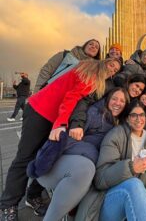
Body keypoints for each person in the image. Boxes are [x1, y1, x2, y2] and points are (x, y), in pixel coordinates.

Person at [0, 58, 121, 221]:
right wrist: (61, 123)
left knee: (45, 155)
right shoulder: (91, 72)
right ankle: (8, 205)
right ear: (104, 61)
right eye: (111, 65)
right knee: (25, 157)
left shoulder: (96, 79)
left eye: (116, 70)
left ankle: (32, 196)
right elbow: (71, 97)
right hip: (40, 111)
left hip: (53, 117)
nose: (112, 70)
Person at [35, 87, 129, 221]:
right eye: (114, 98)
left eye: (122, 101)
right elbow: (67, 143)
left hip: (77, 172)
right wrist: (95, 156)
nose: (117, 103)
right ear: (108, 99)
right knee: (87, 168)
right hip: (52, 167)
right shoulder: (94, 114)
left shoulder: (116, 124)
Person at [75, 100, 146, 221]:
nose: (138, 119)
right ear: (127, 119)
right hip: (107, 200)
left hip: (137, 202)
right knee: (134, 185)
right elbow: (100, 179)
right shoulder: (116, 135)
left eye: (141, 115)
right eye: (133, 115)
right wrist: (131, 168)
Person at [34, 39, 101, 93]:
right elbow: (46, 71)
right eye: (91, 44)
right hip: (47, 93)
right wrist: (37, 91)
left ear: (97, 54)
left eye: (96, 47)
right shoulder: (65, 55)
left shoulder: (94, 70)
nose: (93, 47)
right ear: (84, 46)